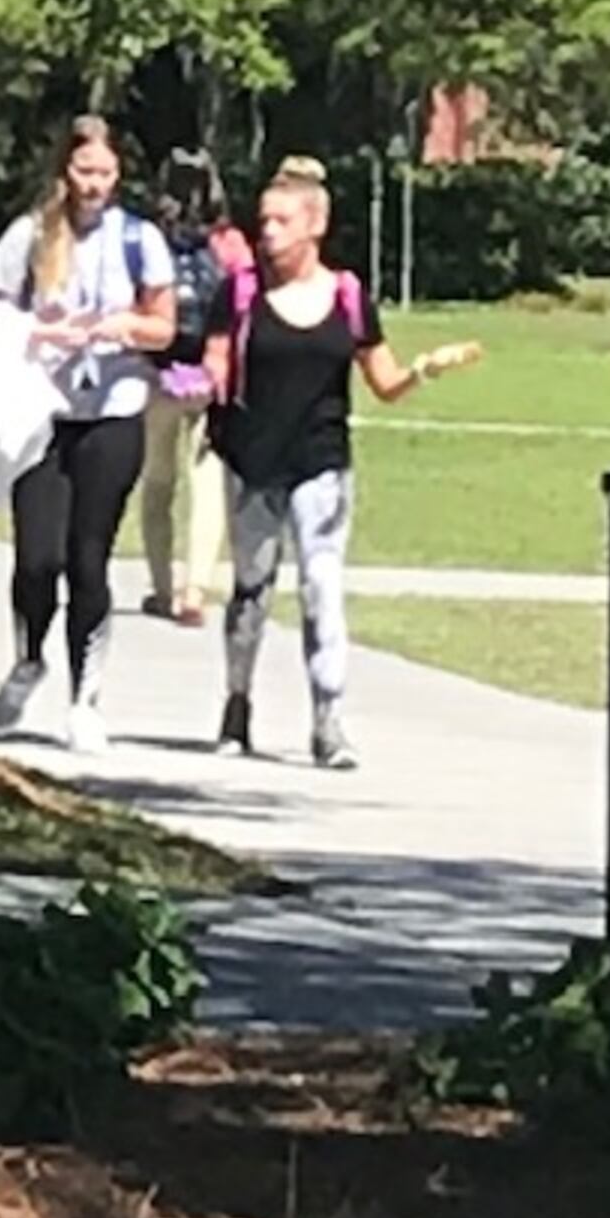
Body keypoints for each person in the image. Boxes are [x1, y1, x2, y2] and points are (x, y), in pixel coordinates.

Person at [208, 164, 479, 769]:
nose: (268, 233)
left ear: (316, 226)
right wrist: (200, 390)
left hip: (321, 460)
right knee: (251, 587)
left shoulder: (349, 297)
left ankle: (328, 717)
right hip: (252, 460)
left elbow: (382, 382)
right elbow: (216, 361)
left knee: (321, 584)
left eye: (282, 221)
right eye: (265, 221)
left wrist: (422, 371)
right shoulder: (242, 292)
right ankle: (237, 701)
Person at [0, 114, 176, 748]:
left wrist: (121, 326)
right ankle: (28, 656)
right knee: (39, 557)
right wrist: (42, 333)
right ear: (63, 170)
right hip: (40, 410)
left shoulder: (139, 240)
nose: (94, 185)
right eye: (84, 171)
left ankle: (85, 698)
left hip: (112, 410)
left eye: (105, 173)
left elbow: (164, 327)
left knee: (88, 560)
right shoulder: (29, 236)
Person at [139, 147, 251, 627]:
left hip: (156, 373)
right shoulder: (229, 243)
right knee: (207, 484)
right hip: (211, 374)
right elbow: (245, 306)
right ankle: (195, 589)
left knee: (158, 481)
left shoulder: (147, 237)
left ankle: (162, 585)